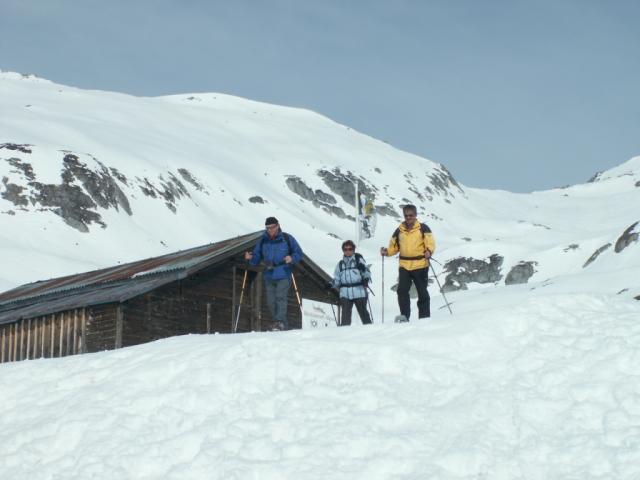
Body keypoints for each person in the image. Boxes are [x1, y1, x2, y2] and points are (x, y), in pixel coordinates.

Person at [245, 217, 303, 330]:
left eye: (272, 227)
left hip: (283, 272)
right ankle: (281, 323)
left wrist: (291, 258)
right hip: (269, 274)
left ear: (277, 226)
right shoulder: (263, 240)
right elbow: (256, 257)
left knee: (280, 297)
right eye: (268, 228)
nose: (270, 230)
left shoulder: (287, 238)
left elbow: (298, 252)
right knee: (270, 301)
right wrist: (250, 258)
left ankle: (279, 322)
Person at [380, 204, 436, 321]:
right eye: (406, 216)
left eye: (411, 215)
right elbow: (394, 247)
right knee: (402, 291)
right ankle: (405, 316)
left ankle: (424, 318)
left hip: (420, 264)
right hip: (405, 265)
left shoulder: (423, 228)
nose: (408, 218)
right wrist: (387, 252)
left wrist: (429, 251)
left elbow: (430, 243)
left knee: (422, 292)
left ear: (415, 215)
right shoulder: (399, 230)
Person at [329, 240, 372, 326]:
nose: (348, 251)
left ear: (353, 250)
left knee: (364, 316)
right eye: (345, 249)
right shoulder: (340, 265)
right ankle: (344, 336)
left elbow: (367, 273)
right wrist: (330, 284)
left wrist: (365, 276)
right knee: (345, 319)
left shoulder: (358, 260)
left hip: (359, 291)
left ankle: (370, 332)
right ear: (343, 250)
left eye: (350, 249)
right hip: (345, 294)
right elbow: (337, 280)